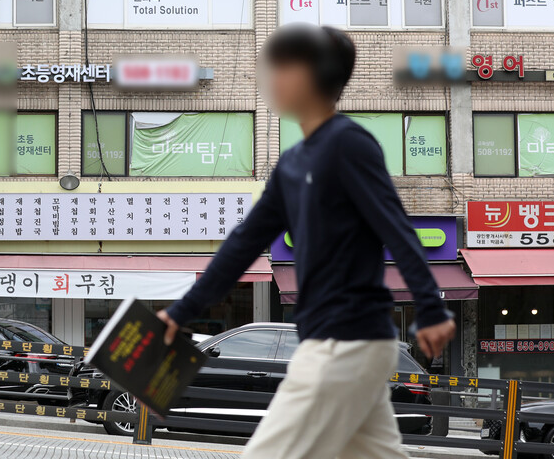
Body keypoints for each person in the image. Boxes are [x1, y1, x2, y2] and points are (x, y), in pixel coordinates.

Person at [158, 24, 456, 459]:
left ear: (309, 75)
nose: (269, 79)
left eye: (280, 67)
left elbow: (395, 227)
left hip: (347, 344)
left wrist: (430, 308)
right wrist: (180, 312)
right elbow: (243, 245)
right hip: (328, 342)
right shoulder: (293, 164)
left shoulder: (349, 144)